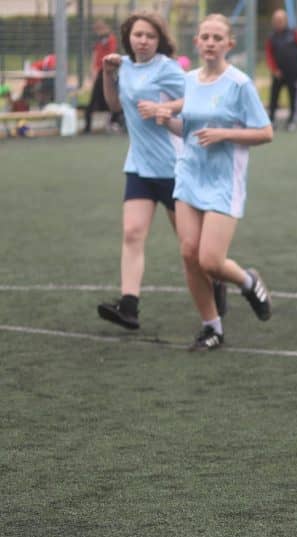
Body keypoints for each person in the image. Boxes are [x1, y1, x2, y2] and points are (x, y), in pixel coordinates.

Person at [95, 11, 228, 330]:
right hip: (139, 167)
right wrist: (107, 75)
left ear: (159, 41)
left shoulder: (167, 69)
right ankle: (129, 306)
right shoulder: (123, 66)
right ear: (128, 37)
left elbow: (197, 97)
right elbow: (114, 106)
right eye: (138, 34)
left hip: (173, 169)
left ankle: (217, 280)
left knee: (191, 247)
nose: (143, 40)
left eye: (150, 36)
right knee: (132, 233)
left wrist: (164, 108)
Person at [155, 13, 273, 351]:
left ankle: (247, 281)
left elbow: (266, 132)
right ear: (196, 42)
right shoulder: (189, 81)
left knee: (210, 260)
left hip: (223, 181)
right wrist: (167, 121)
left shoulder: (239, 84)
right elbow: (189, 129)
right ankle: (212, 327)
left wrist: (225, 133)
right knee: (189, 253)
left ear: (229, 44)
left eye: (217, 38)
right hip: (189, 175)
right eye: (205, 37)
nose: (210, 43)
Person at [265, 9, 297, 132]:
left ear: (285, 21)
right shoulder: (272, 37)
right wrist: (274, 69)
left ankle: (291, 121)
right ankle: (271, 120)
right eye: (276, 20)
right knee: (274, 97)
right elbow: (269, 55)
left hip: (293, 72)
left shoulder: (295, 34)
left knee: (293, 97)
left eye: (280, 20)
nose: (278, 23)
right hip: (278, 74)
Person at [83, 20, 122, 133]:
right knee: (96, 100)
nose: (98, 32)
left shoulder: (109, 39)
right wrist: (93, 69)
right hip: (100, 72)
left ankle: (114, 122)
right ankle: (89, 127)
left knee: (111, 99)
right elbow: (95, 55)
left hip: (105, 71)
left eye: (99, 29)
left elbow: (109, 55)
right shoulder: (101, 41)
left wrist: (99, 69)